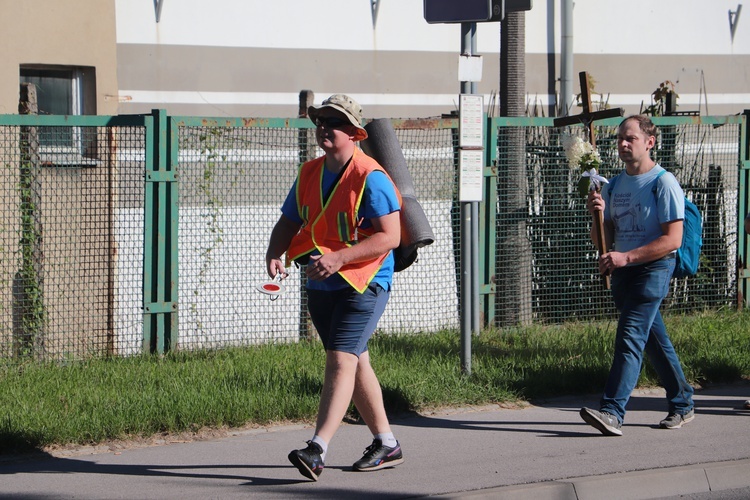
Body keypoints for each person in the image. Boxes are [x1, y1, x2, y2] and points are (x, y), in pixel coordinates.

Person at [265, 94, 404, 480]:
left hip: (364, 282)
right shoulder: (309, 172)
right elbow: (289, 220)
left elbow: (390, 237)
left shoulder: (370, 177)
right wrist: (275, 251)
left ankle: (317, 448)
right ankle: (387, 442)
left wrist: (341, 258)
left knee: (340, 359)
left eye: (334, 121)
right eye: (321, 120)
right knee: (356, 361)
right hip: (323, 282)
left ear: (355, 132)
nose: (324, 126)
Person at [580, 115, 695, 436]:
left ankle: (613, 411)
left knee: (629, 337)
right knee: (654, 341)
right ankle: (683, 401)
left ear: (649, 142)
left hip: (653, 268)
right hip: (623, 271)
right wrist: (597, 216)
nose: (623, 144)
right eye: (619, 138)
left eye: (630, 138)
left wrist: (626, 256)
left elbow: (672, 239)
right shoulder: (613, 184)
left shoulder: (663, 182)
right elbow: (603, 237)